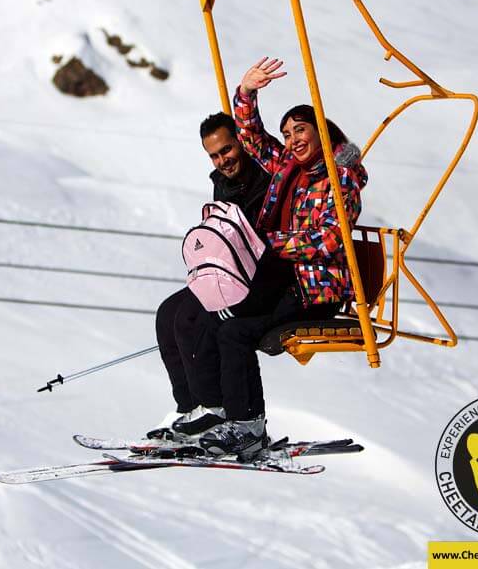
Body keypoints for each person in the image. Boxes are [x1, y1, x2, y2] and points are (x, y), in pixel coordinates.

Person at [190, 56, 369, 457]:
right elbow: (251, 138)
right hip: (287, 279)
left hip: (317, 287)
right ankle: (229, 418)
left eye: (300, 130)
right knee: (223, 322)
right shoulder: (290, 166)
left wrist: (269, 242)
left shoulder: (340, 179)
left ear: (321, 132)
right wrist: (246, 93)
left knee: (236, 330)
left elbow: (329, 240)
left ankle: (246, 426)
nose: (292, 140)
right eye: (287, 133)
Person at [149, 112, 272, 438]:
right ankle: (190, 405)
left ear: (242, 143)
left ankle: (214, 405)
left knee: (195, 316)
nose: (222, 160)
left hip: (263, 274)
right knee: (168, 314)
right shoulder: (223, 184)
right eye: (214, 155)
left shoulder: (265, 179)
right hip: (234, 271)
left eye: (227, 150)